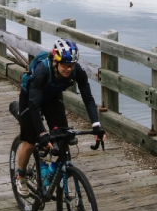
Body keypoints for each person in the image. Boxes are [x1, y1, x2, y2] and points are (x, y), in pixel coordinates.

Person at [15, 39, 104, 197]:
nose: (69, 69)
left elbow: (88, 99)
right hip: (31, 99)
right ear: (56, 61)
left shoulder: (77, 71)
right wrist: (42, 134)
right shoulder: (43, 71)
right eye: (65, 64)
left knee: (63, 138)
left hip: (52, 98)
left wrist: (96, 125)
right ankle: (20, 176)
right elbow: (34, 105)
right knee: (29, 142)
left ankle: (61, 179)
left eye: (72, 64)